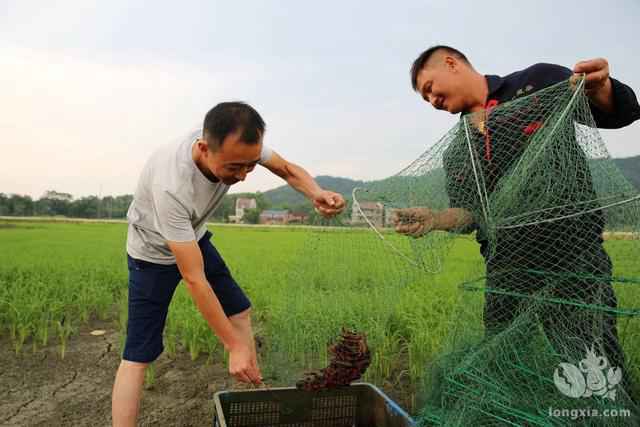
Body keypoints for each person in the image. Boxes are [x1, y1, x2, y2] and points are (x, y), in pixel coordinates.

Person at [394, 45, 640, 393]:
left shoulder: (535, 82)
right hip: (506, 271)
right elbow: (470, 213)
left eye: (430, 88)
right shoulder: (457, 147)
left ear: (451, 63)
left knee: (594, 365)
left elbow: (618, 113)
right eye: (425, 99)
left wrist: (602, 89)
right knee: (503, 367)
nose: (432, 100)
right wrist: (434, 218)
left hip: (572, 260)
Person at [112, 101, 345, 426]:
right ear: (204, 148)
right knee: (138, 356)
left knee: (240, 310)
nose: (243, 176)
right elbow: (194, 279)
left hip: (193, 236)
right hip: (150, 254)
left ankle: (255, 397)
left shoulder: (238, 141)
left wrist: (316, 192)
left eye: (250, 165)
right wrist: (232, 346)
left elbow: (287, 170)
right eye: (234, 167)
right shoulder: (172, 184)